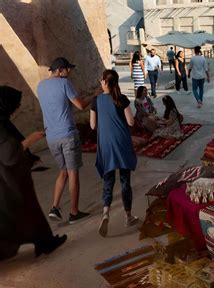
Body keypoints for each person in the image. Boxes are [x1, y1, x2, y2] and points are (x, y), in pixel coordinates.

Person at [0, 86, 67, 260]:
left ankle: (43, 241)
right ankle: (44, 242)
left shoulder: (3, 121)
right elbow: (8, 155)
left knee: (21, 213)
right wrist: (31, 140)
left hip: (9, 181)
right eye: (15, 104)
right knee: (23, 212)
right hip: (8, 183)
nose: (18, 107)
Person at [37, 57, 90, 224]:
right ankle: (74, 212)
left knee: (63, 171)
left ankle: (55, 207)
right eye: (67, 69)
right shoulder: (64, 83)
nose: (69, 72)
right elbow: (80, 105)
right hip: (67, 134)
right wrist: (94, 96)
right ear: (60, 70)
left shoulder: (41, 86)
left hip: (51, 137)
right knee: (73, 173)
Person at [90, 70, 139, 237]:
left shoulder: (95, 100)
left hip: (106, 144)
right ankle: (128, 216)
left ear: (104, 82)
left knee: (108, 180)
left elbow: (92, 125)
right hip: (122, 142)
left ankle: (105, 212)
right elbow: (131, 122)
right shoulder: (121, 98)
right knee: (125, 180)